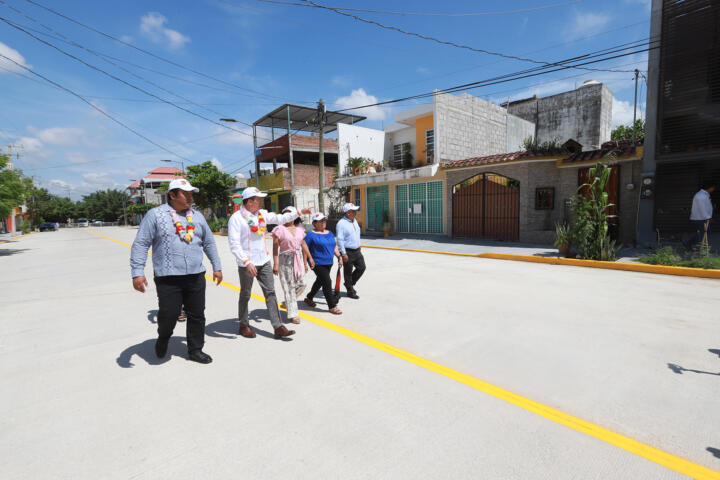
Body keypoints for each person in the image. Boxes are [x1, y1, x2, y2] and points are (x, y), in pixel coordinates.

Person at [130, 178, 222, 364]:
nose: (190, 197)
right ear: (172, 195)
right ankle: (163, 337)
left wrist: (217, 266)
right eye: (185, 194)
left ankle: (195, 349)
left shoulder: (197, 216)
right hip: (168, 276)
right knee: (169, 314)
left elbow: (209, 242)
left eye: (191, 194)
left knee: (197, 314)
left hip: (196, 274)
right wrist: (137, 272)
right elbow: (141, 243)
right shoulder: (155, 215)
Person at [228, 187, 312, 339]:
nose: (261, 202)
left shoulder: (262, 215)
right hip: (247, 263)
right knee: (246, 294)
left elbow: (280, 219)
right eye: (258, 199)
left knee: (270, 293)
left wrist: (299, 213)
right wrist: (246, 262)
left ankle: (278, 327)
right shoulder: (236, 218)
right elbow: (234, 244)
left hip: (263, 261)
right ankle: (244, 324)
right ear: (249, 202)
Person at [272, 207, 312, 324]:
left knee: (302, 283)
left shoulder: (300, 230)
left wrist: (310, 258)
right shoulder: (279, 229)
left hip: (297, 258)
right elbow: (275, 248)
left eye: (290, 214)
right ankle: (293, 314)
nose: (287, 217)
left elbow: (303, 244)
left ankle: (289, 300)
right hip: (285, 259)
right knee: (288, 287)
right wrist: (275, 264)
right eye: (285, 215)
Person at [304, 212, 343, 315]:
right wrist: (306, 262)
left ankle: (309, 297)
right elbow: (305, 248)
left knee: (320, 281)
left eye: (324, 220)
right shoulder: (310, 234)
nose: (323, 222)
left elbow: (334, 246)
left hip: (328, 262)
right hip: (316, 262)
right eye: (321, 221)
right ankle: (332, 306)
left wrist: (339, 257)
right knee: (327, 281)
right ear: (314, 223)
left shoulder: (329, 233)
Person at [335, 202, 365, 299]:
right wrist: (343, 254)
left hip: (357, 250)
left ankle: (349, 284)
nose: (356, 212)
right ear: (348, 213)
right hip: (347, 251)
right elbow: (339, 239)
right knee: (348, 272)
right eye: (354, 211)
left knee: (361, 267)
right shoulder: (341, 224)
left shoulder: (354, 220)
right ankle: (350, 291)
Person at [689, 181, 715, 247]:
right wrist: (708, 217)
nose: (713, 189)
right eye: (713, 188)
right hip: (700, 218)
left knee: (703, 232)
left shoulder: (704, 194)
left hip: (702, 217)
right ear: (709, 188)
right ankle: (696, 246)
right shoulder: (701, 196)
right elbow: (702, 208)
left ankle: (691, 244)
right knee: (704, 232)